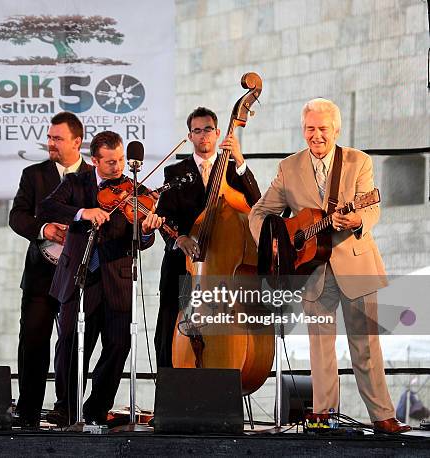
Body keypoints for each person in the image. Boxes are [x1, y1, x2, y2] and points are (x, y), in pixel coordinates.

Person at [248, 98, 411, 434]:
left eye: (323, 128)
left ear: (336, 129)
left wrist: (356, 219)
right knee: (320, 348)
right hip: (311, 271)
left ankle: (382, 415)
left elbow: (371, 208)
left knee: (365, 345)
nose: (316, 135)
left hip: (356, 264)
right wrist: (274, 243)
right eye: (310, 128)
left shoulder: (358, 161)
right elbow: (259, 214)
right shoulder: (289, 168)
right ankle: (324, 416)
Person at [40, 130, 163, 426]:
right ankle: (67, 408)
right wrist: (84, 212)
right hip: (79, 275)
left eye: (120, 160)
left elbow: (142, 242)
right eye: (110, 162)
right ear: (94, 160)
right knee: (70, 342)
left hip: (117, 278)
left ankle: (96, 409)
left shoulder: (134, 190)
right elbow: (47, 207)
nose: (117, 167)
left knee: (119, 345)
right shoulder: (75, 183)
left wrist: (147, 230)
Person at [154, 106, 261, 368]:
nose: (204, 136)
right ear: (190, 136)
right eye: (197, 131)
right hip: (184, 267)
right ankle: (170, 399)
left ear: (218, 133)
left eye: (208, 130)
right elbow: (164, 217)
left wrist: (240, 161)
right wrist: (179, 238)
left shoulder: (234, 171)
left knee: (220, 333)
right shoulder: (175, 173)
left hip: (223, 268)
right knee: (171, 331)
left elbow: (257, 204)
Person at [9, 111, 91, 427]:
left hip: (80, 276)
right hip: (40, 276)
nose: (50, 143)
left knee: (73, 342)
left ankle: (67, 410)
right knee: (33, 340)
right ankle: (27, 411)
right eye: (49, 137)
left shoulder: (92, 176)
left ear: (77, 141)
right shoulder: (34, 175)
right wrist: (44, 229)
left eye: (57, 138)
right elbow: (17, 217)